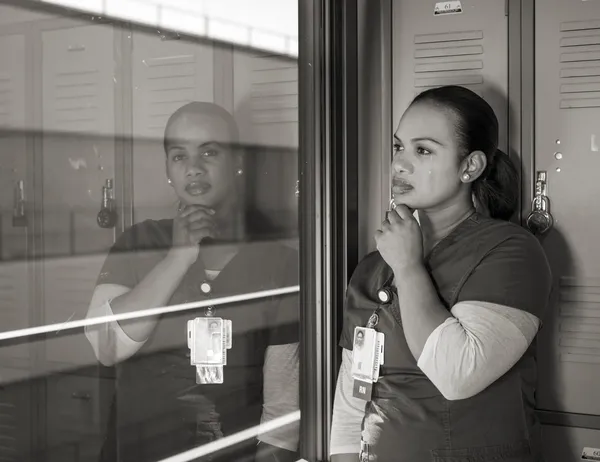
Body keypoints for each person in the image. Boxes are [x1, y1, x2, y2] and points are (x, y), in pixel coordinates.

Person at [330, 86, 553, 461]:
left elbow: (457, 374)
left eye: (424, 150)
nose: (400, 164)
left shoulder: (511, 251)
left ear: (471, 166)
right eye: (399, 147)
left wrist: (407, 266)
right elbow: (354, 398)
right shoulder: (373, 265)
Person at [84, 102, 300, 462]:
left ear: (238, 162)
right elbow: (107, 349)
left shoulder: (281, 264)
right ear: (168, 170)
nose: (194, 169)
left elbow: (282, 411)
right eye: (179, 156)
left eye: (209, 152)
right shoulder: (138, 241)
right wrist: (177, 258)